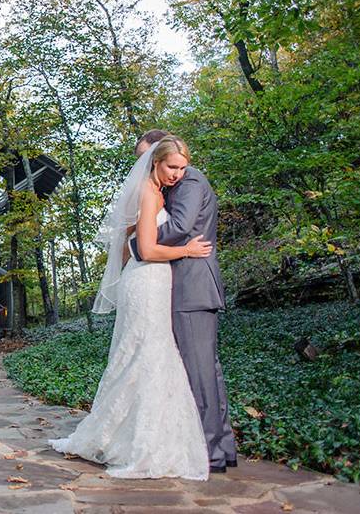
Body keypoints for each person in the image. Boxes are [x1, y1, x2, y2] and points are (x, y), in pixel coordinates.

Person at [49, 136, 211, 480]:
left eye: (182, 169)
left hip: (150, 281)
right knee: (148, 356)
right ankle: (140, 446)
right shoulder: (150, 194)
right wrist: (188, 251)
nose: (177, 175)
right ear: (155, 162)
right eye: (172, 167)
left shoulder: (153, 191)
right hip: (148, 279)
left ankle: (126, 437)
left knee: (141, 356)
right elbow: (148, 249)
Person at [131, 133, 238, 473]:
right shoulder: (170, 185)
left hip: (192, 286)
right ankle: (222, 447)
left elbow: (179, 227)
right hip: (186, 286)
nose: (146, 167)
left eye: (148, 158)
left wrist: (139, 242)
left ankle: (210, 453)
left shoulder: (189, 180)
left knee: (200, 373)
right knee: (207, 371)